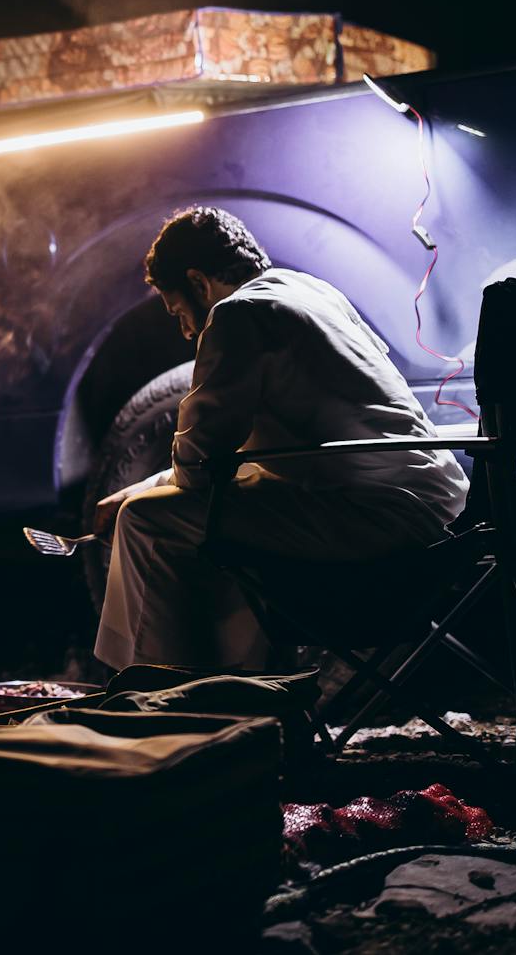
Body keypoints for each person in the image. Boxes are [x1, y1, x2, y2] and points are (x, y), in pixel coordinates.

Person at [92, 207, 469, 672]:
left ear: (198, 282)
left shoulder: (237, 316)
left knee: (145, 520)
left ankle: (164, 695)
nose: (187, 330)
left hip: (376, 521)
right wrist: (145, 482)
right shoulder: (311, 292)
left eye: (178, 312)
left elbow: (197, 468)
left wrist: (143, 495)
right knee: (220, 505)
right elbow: (264, 455)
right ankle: (252, 690)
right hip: (433, 514)